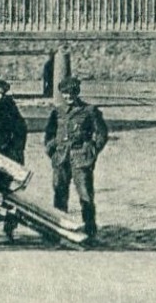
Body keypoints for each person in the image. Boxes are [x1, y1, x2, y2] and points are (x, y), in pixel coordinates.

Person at [43, 77, 108, 243]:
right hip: (61, 159)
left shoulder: (89, 111)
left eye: (71, 93)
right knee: (59, 194)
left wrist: (91, 151)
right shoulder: (57, 111)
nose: (68, 96)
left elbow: (101, 134)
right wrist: (52, 150)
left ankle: (90, 231)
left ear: (77, 93)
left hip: (80, 159)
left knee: (85, 195)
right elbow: (49, 134)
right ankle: (58, 229)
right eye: (65, 93)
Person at [0, 78, 27, 241]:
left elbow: (21, 127)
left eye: (3, 93)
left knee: (7, 191)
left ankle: (9, 227)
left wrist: (17, 151)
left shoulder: (8, 105)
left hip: (7, 153)